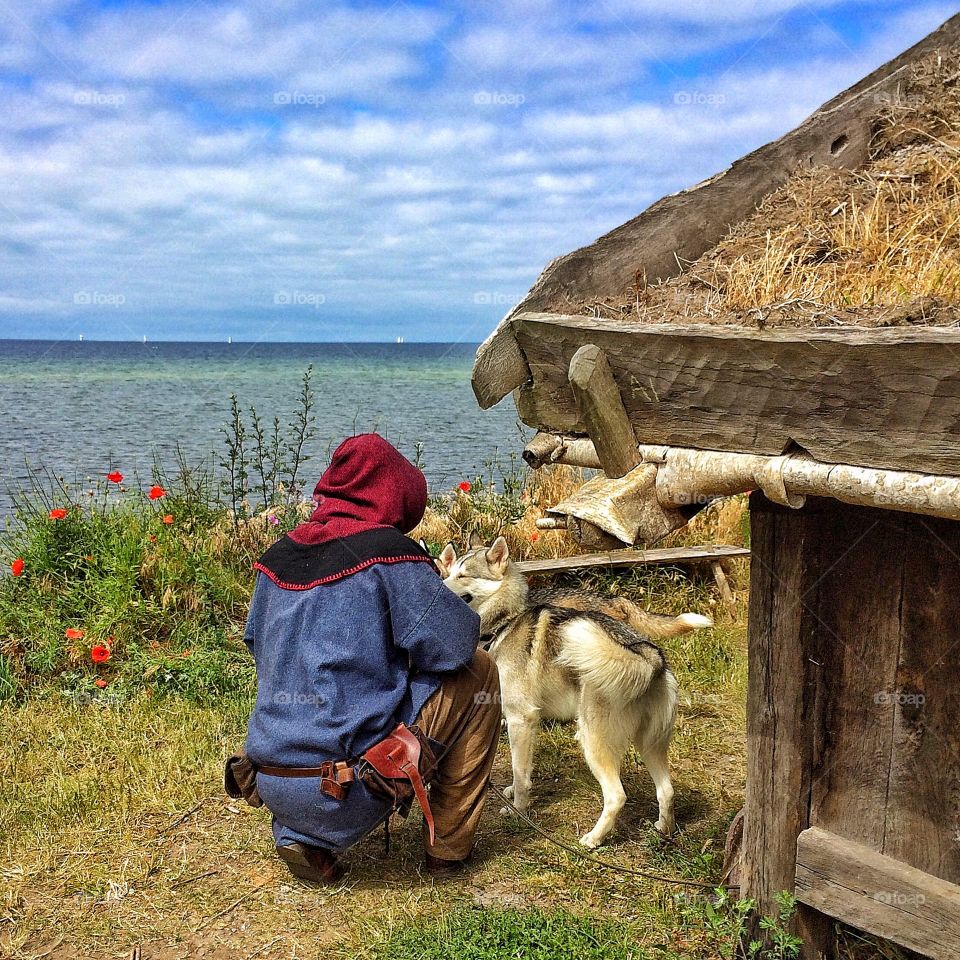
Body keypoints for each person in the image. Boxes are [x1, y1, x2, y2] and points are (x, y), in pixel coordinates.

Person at [235, 433, 501, 882]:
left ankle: (301, 838)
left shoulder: (276, 557)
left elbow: (259, 645)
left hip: (270, 780)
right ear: (395, 495)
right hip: (351, 785)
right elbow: (454, 646)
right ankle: (448, 849)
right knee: (480, 671)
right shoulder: (390, 556)